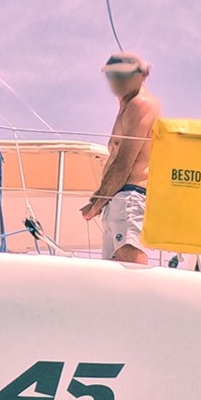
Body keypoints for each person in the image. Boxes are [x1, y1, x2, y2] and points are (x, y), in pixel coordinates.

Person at [80, 53, 161, 264]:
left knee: (130, 265)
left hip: (131, 197)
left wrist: (97, 203)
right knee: (114, 274)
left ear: (142, 75)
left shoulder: (140, 104)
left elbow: (125, 162)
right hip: (118, 199)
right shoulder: (126, 108)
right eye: (112, 75)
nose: (117, 81)